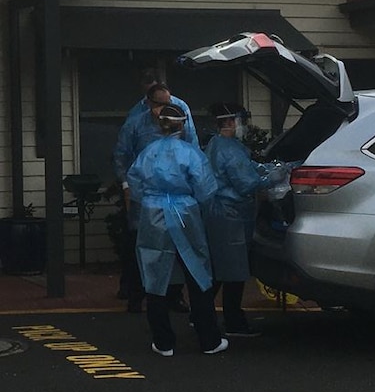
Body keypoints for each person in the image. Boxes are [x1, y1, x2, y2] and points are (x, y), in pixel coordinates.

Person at [126, 102, 228, 356]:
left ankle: (163, 342)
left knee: (154, 274)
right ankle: (209, 339)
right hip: (184, 212)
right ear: (183, 124)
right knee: (198, 272)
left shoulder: (148, 152)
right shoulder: (191, 153)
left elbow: (134, 183)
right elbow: (205, 189)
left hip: (153, 213)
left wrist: (152, 198)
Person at [113, 72, 197, 313]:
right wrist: (127, 187)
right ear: (148, 103)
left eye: (168, 104)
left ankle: (172, 295)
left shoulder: (180, 116)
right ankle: (136, 295)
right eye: (160, 105)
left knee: (174, 246)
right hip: (145, 196)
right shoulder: (136, 124)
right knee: (140, 244)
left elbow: (192, 148)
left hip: (175, 196)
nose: (164, 110)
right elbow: (122, 156)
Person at [204, 102, 284, 336]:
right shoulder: (227, 149)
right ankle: (233, 321)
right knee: (234, 271)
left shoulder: (221, 145)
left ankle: (201, 314)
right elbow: (246, 181)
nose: (244, 126)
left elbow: (249, 167)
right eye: (241, 121)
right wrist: (274, 177)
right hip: (231, 216)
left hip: (223, 214)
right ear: (229, 122)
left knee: (220, 269)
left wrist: (267, 169)